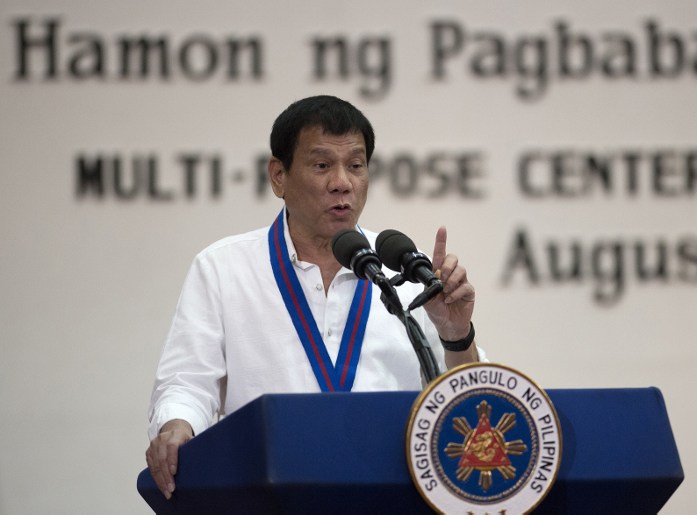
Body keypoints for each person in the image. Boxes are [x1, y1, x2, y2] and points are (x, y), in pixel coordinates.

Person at [145, 95, 484, 499]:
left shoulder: (409, 271)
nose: (342, 182)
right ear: (278, 176)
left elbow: (468, 403)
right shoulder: (223, 268)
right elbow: (187, 383)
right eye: (322, 165)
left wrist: (456, 334)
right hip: (267, 496)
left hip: (395, 495)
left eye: (356, 166)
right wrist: (177, 426)